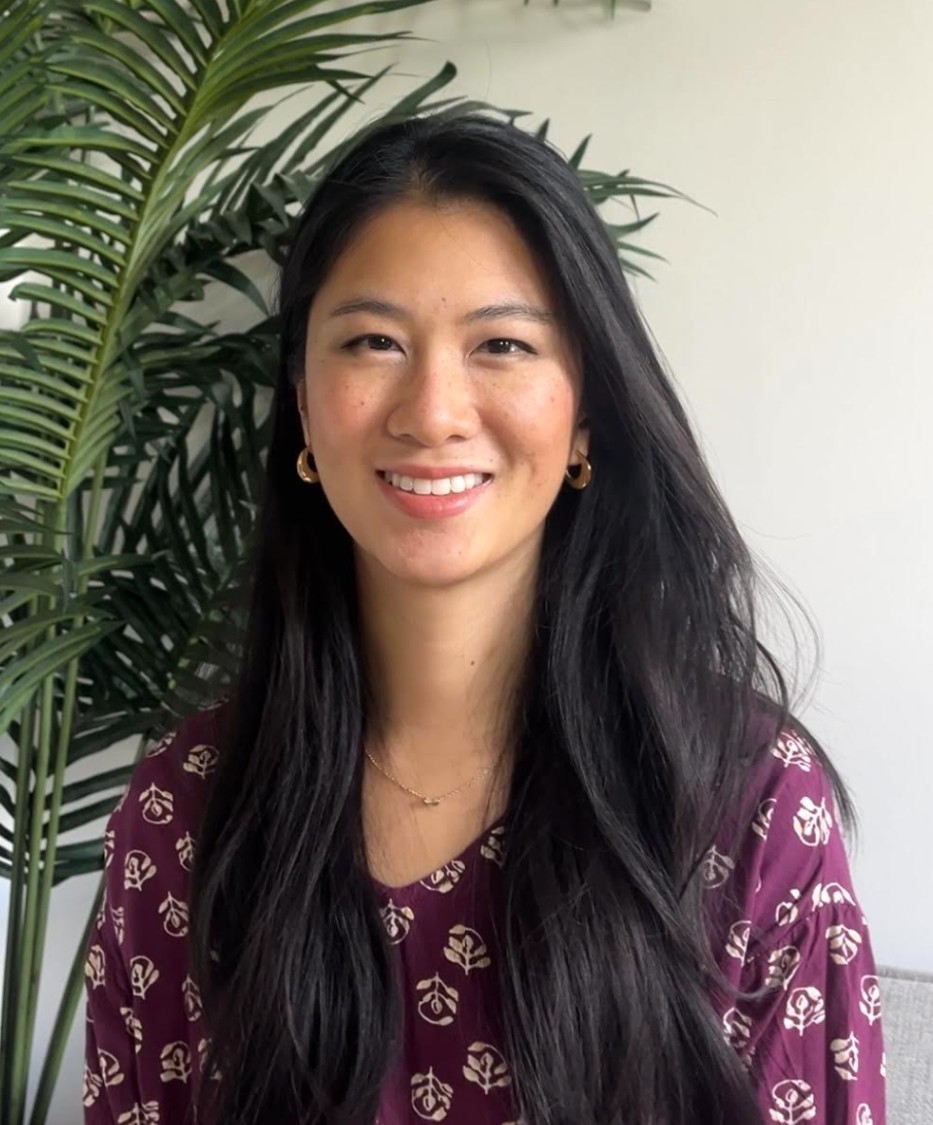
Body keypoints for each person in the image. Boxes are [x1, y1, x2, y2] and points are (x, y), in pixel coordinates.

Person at [82, 111, 885, 1125]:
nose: (433, 411)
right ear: (303, 406)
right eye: (373, 342)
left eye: (501, 344)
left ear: (586, 411)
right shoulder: (184, 813)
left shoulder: (745, 804)